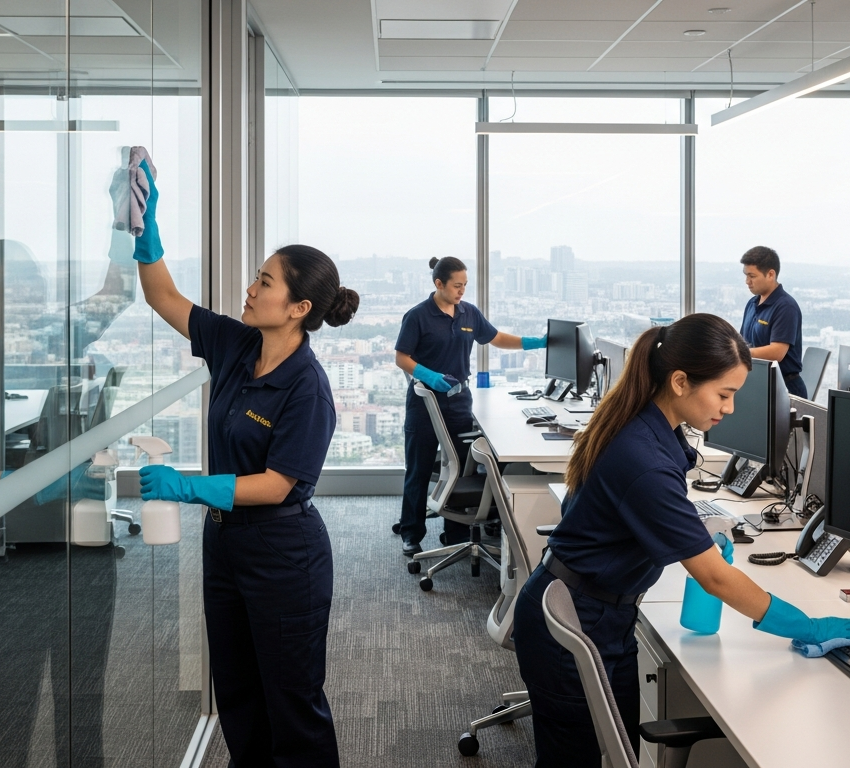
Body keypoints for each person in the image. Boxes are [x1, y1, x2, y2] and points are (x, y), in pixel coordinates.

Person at [511, 314, 850, 767]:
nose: (728, 408)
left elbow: (595, 514)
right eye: (724, 394)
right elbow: (715, 579)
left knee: (618, 752)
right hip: (580, 620)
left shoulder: (642, 426)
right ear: (681, 381)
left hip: (600, 613)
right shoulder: (643, 455)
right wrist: (806, 626)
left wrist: (686, 530)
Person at [131, 158, 359, 767]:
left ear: (299, 308)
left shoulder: (306, 388)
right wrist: (145, 233)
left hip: (284, 554)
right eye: (256, 277)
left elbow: (281, 485)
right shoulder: (237, 344)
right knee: (237, 694)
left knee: (291, 702)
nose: (251, 288)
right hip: (225, 546)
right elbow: (163, 296)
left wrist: (188, 486)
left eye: (265, 282)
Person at [393, 256, 546, 557]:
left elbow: (497, 338)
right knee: (419, 469)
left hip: (459, 402)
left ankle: (456, 533)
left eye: (465, 285)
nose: (462, 291)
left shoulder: (468, 314)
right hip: (425, 403)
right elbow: (402, 358)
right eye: (456, 285)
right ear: (439, 284)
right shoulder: (418, 316)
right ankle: (411, 533)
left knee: (461, 469)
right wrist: (431, 377)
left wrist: (536, 343)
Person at [738, 246, 807, 398]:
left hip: (784, 388)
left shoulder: (785, 307)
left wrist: (739, 354)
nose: (747, 281)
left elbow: (777, 352)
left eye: (752, 276)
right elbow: (742, 341)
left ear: (770, 274)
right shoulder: (752, 304)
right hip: (757, 384)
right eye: (746, 275)